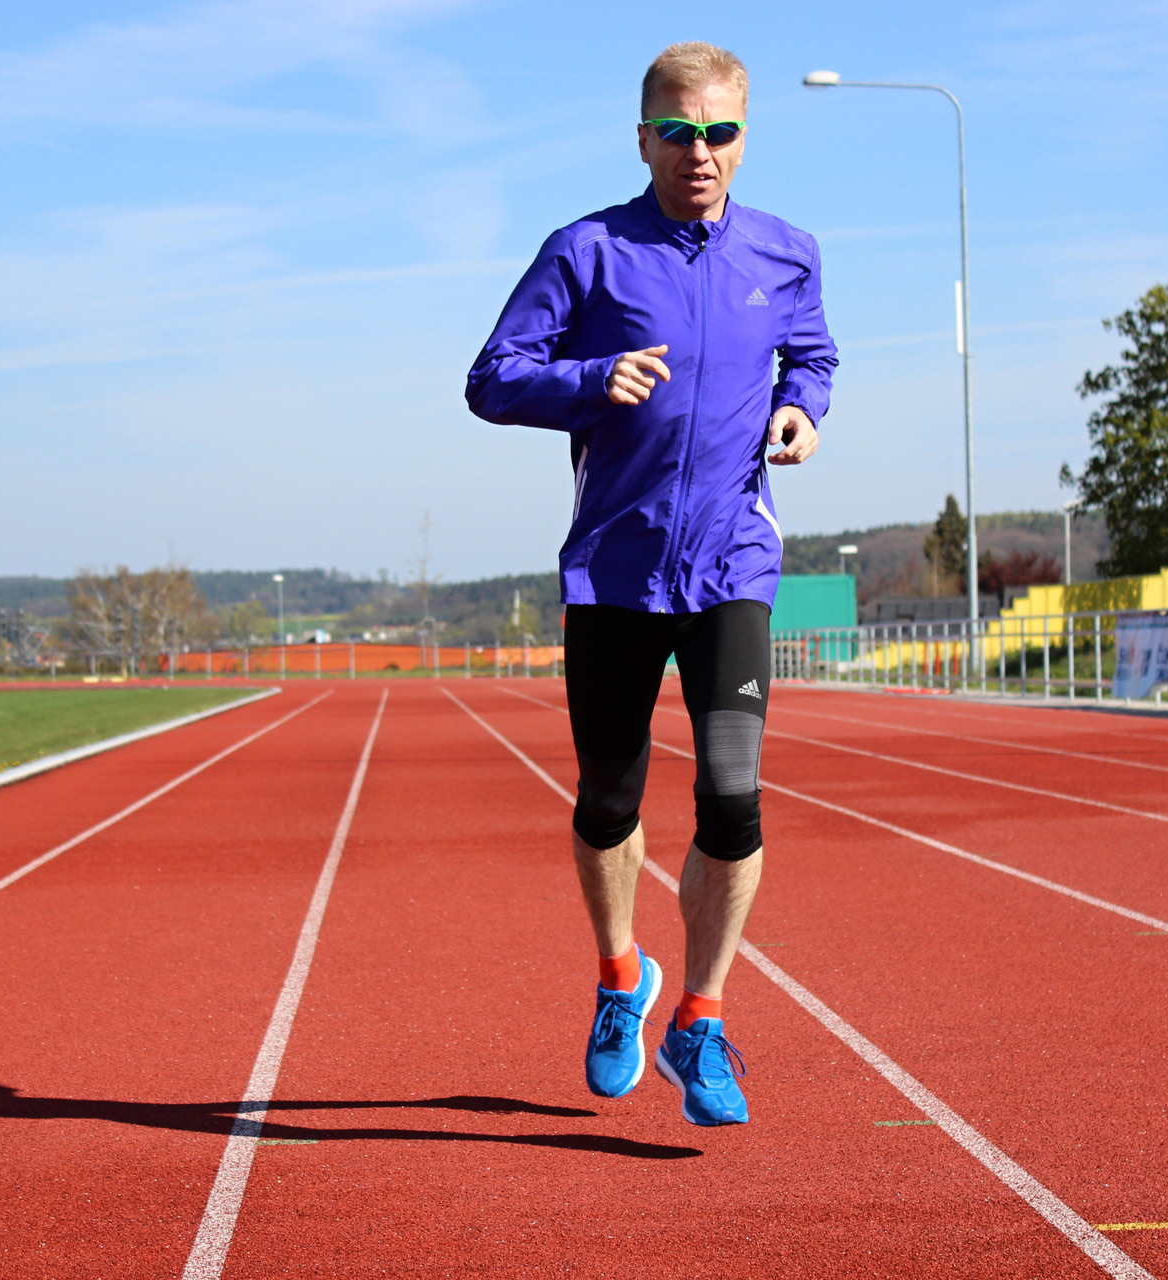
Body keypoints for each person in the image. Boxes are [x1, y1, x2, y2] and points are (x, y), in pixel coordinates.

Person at [465, 42, 837, 1126]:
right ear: (643, 138)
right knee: (609, 800)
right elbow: (491, 377)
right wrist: (589, 379)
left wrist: (803, 409)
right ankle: (623, 974)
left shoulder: (788, 253)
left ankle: (704, 1017)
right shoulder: (586, 252)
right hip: (618, 568)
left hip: (733, 561)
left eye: (719, 131)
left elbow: (812, 356)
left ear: (743, 139)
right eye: (678, 131)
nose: (700, 151)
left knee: (732, 795)